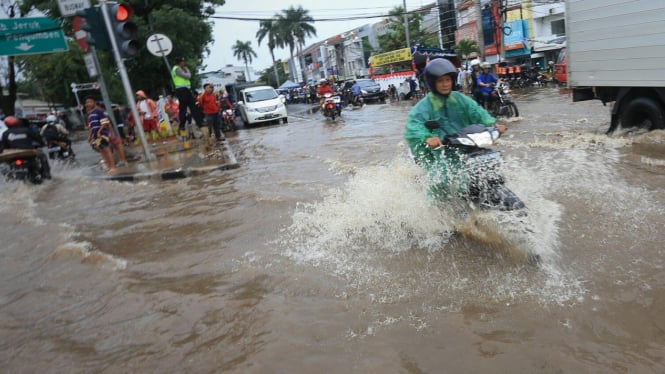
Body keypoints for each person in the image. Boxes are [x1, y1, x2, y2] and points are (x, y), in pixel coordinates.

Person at [404, 58, 505, 196]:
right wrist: (427, 137)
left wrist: (493, 124)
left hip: (466, 145)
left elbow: (476, 112)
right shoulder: (424, 106)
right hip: (441, 153)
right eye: (440, 81)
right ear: (432, 83)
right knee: (441, 181)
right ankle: (439, 213)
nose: (445, 84)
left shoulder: (459, 98)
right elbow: (414, 126)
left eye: (448, 80)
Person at [85, 97, 126, 174]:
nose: (88, 104)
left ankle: (113, 166)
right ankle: (110, 166)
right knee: (103, 150)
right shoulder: (90, 114)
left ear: (94, 102)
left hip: (103, 134)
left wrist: (102, 132)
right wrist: (90, 137)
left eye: (90, 102)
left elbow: (106, 123)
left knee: (107, 149)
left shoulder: (99, 111)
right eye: (86, 103)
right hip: (96, 136)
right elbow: (91, 127)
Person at [171, 57, 203, 134]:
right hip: (182, 90)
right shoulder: (177, 69)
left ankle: (199, 122)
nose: (184, 63)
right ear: (180, 62)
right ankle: (182, 125)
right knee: (183, 109)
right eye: (183, 62)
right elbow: (187, 76)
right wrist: (187, 70)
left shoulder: (177, 69)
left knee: (193, 107)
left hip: (186, 90)